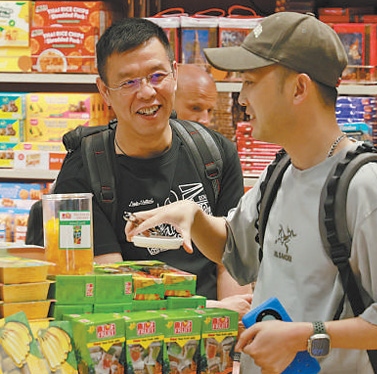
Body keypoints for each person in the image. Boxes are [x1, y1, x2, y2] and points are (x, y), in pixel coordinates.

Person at [125, 12, 377, 373]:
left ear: (299, 89)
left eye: (251, 81)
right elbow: (235, 249)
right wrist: (193, 217)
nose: (242, 98)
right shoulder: (281, 172)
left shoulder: (368, 187)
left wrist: (305, 336)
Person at [50, 17, 252, 317]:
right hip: (133, 335)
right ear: (104, 91)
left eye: (157, 76)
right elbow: (110, 291)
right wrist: (209, 309)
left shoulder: (214, 153)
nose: (146, 92)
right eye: (128, 82)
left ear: (175, 74)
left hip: (214, 335)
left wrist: (228, 320)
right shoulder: (83, 171)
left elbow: (232, 262)